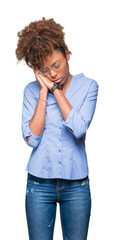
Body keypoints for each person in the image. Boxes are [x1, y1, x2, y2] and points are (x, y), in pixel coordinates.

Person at [15, 17, 99, 240]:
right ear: (36, 69)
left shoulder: (89, 86)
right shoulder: (31, 91)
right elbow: (32, 139)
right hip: (39, 186)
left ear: (67, 55)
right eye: (45, 69)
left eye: (57, 65)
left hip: (77, 186)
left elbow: (79, 128)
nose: (52, 73)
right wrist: (44, 92)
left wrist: (56, 90)